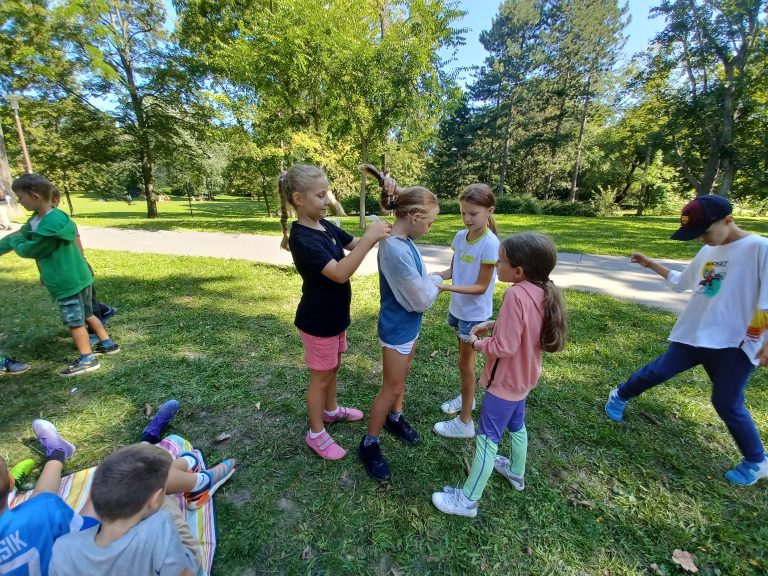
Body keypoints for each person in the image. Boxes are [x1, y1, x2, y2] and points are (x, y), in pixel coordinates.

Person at [604, 195, 768, 486]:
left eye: (704, 232)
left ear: (728, 220)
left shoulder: (758, 248)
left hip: (735, 343)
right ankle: (619, 395)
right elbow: (683, 282)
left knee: (727, 401)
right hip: (694, 334)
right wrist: (651, 264)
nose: (700, 240)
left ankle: (756, 461)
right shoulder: (708, 249)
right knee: (658, 371)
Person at [432, 232, 566, 517]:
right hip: (525, 377)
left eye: (501, 262)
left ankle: (467, 500)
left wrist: (476, 342)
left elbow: (503, 347)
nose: (496, 266)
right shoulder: (541, 289)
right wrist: (494, 322)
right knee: (517, 425)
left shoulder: (515, 293)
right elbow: (522, 325)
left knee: (486, 438)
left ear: (518, 271)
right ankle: (516, 472)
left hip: (504, 382)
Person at [279, 164, 391, 460]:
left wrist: (382, 224)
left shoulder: (324, 226)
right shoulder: (303, 238)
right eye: (320, 195)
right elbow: (341, 272)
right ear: (299, 199)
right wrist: (370, 238)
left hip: (335, 317)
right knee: (320, 376)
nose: (327, 200)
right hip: (318, 322)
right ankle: (316, 433)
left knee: (334, 366)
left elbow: (353, 244)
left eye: (326, 193)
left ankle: (330, 411)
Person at [358, 183, 444, 482]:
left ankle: (395, 419)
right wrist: (436, 281)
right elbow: (420, 298)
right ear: (416, 216)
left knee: (400, 380)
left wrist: (440, 274)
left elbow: (418, 281)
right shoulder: (394, 248)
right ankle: (369, 443)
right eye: (430, 222)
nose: (430, 229)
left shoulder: (404, 241)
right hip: (397, 330)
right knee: (390, 388)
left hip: (408, 327)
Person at [48, 443, 231, 576]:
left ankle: (187, 466)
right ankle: (197, 480)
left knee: (136, 477)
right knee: (151, 479)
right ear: (152, 501)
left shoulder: (64, 550)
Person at [0, 174, 119, 377]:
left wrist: (15, 244)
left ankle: (87, 358)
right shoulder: (47, 219)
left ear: (35, 195)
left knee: (75, 321)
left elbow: (32, 249)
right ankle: (107, 343)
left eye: (21, 197)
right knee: (89, 313)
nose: (19, 202)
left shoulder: (49, 226)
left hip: (67, 282)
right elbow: (22, 234)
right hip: (81, 277)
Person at [433, 184, 500, 439]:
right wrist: (438, 275)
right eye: (463, 213)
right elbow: (454, 271)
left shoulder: (490, 244)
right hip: (458, 308)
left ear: (489, 211)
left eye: (473, 213)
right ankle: (467, 399)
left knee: (465, 364)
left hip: (474, 315)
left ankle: (465, 422)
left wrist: (445, 288)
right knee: (464, 363)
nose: (467, 219)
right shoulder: (461, 237)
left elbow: (481, 287)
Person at [0, 420, 96, 576]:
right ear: (9, 482)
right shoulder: (44, 508)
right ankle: (57, 454)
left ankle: (57, 453)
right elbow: (87, 535)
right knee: (42, 503)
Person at [50, 188, 117, 346]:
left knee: (88, 305)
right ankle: (105, 313)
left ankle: (95, 334)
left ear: (54, 201)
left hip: (77, 271)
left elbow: (78, 247)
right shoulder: (46, 222)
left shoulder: (60, 222)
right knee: (88, 303)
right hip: (73, 272)